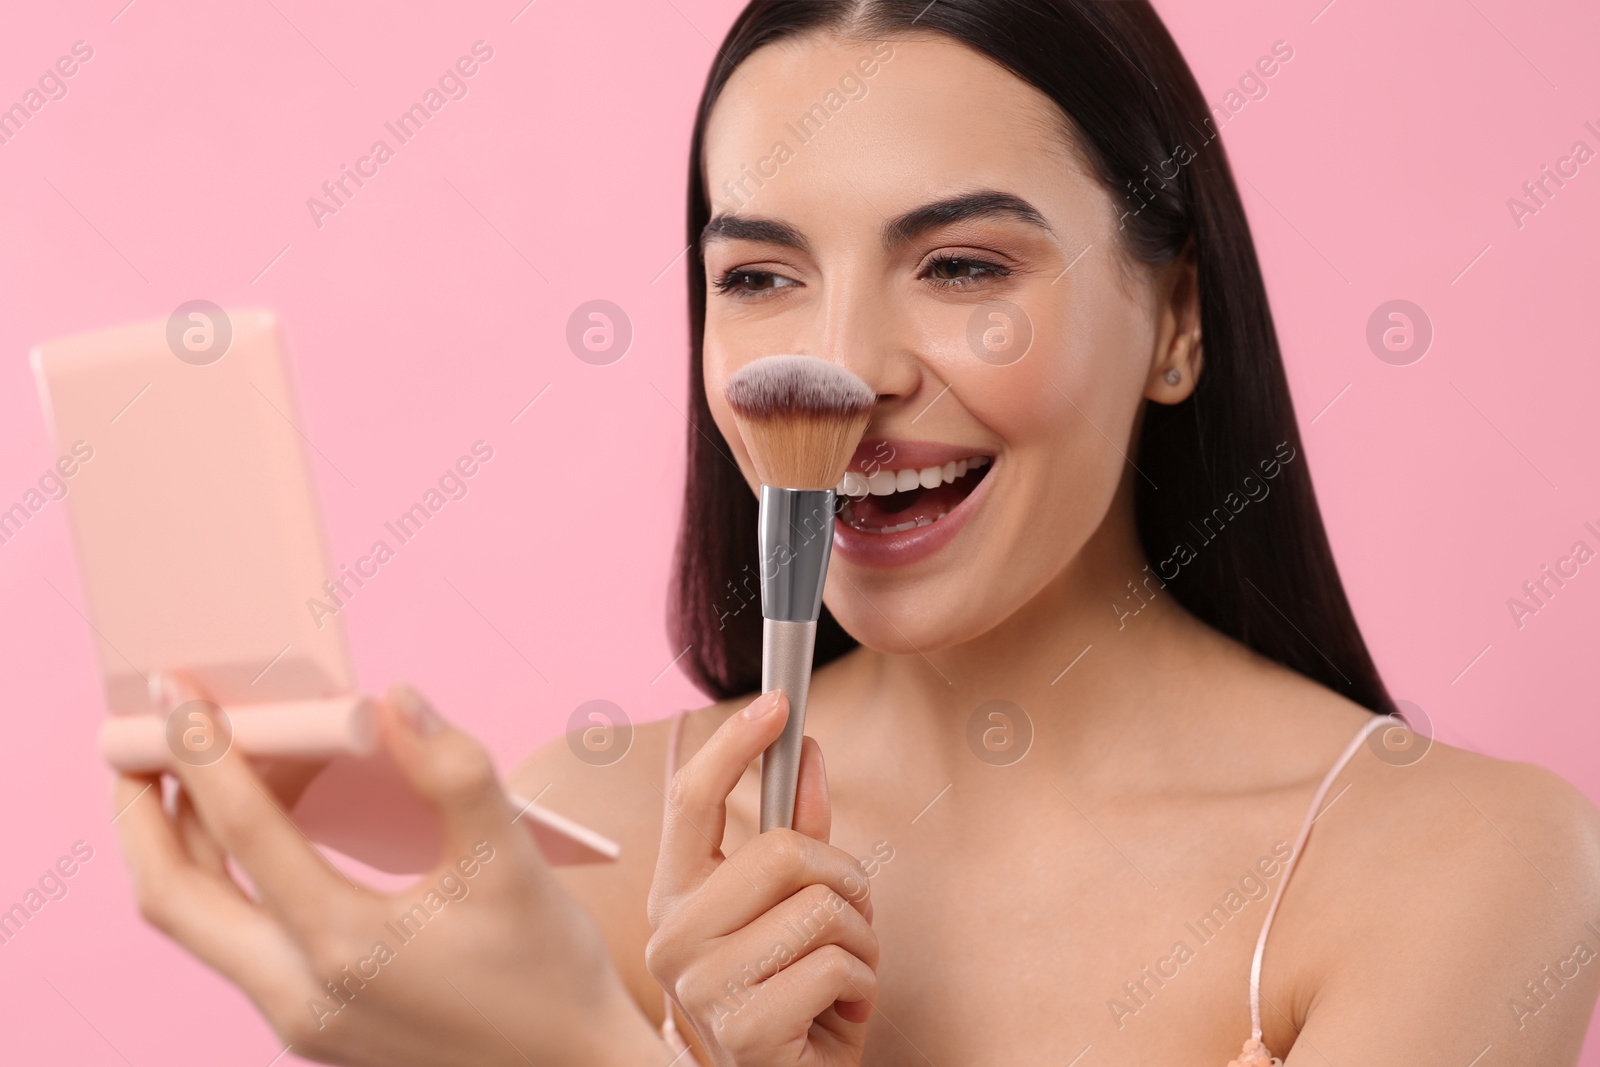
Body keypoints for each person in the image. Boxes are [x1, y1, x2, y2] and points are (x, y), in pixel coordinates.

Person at [113, 2, 1600, 1064]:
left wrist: (582, 1051)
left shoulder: (1460, 868)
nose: (847, 365)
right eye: (759, 277)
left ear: (1179, 322)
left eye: (959, 264)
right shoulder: (603, 835)